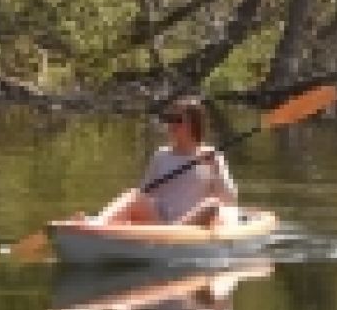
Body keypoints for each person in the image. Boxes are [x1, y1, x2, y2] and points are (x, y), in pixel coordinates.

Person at [88, 96, 238, 229]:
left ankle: (173, 232)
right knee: (133, 195)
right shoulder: (161, 155)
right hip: (160, 222)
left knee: (212, 204)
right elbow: (143, 192)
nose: (171, 125)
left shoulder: (212, 155)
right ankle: (96, 223)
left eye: (178, 120)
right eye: (170, 119)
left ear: (194, 124)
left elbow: (230, 199)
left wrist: (215, 168)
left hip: (193, 223)